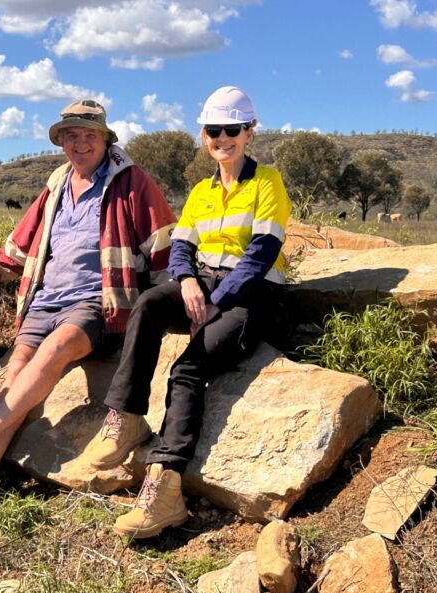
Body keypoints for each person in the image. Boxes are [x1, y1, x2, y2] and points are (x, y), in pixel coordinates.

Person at [84, 86, 292, 539]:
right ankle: (128, 415)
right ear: (204, 135)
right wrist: (190, 283)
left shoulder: (266, 182)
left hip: (252, 296)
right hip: (209, 285)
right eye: (215, 130)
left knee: (187, 370)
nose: (223, 138)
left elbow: (261, 254)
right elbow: (181, 247)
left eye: (232, 129)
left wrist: (214, 303)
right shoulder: (201, 191)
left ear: (249, 132)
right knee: (150, 303)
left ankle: (166, 490)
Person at [0, 99, 177, 489]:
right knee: (14, 371)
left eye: (88, 135)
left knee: (55, 348)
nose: (80, 144)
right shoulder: (58, 183)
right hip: (45, 299)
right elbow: (18, 249)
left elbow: (163, 242)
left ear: (104, 138)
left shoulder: (131, 181)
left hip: (96, 302)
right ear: (61, 141)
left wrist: (167, 303)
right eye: (72, 136)